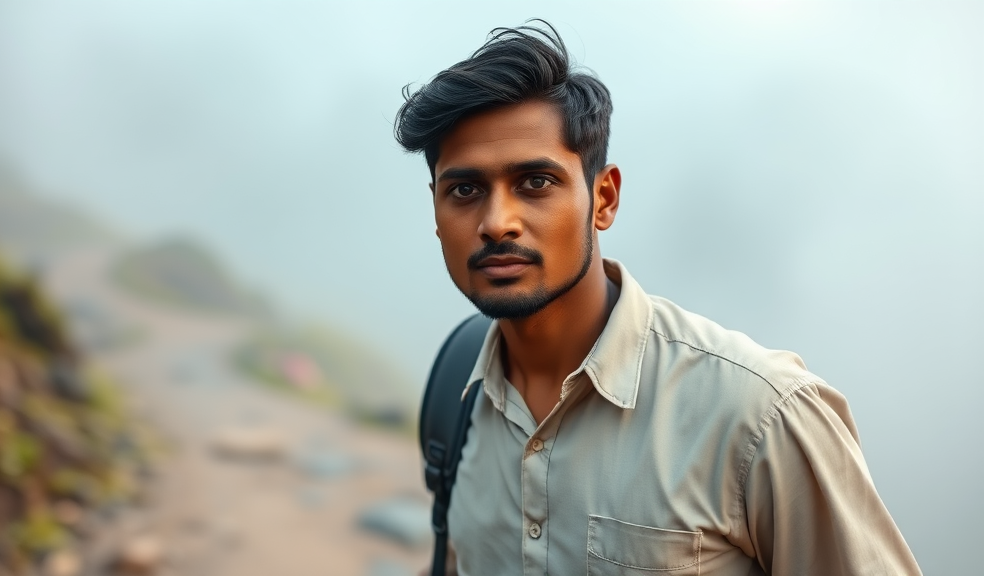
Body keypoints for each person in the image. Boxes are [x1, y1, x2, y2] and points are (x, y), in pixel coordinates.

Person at [394, 21, 921, 576]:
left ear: (604, 198)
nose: (496, 222)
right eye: (465, 190)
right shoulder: (458, 395)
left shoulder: (760, 416)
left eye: (535, 182)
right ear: (435, 209)